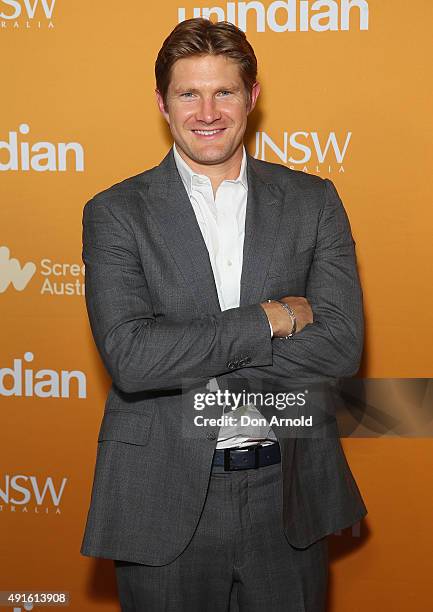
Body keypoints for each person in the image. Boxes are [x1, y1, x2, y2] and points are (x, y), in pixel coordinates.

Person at [80, 17, 367, 611]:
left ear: (252, 97)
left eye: (224, 92)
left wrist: (186, 349)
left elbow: (340, 347)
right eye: (189, 93)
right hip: (163, 497)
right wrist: (272, 318)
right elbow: (133, 360)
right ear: (162, 102)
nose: (206, 111)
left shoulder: (314, 201)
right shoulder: (115, 212)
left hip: (286, 494)